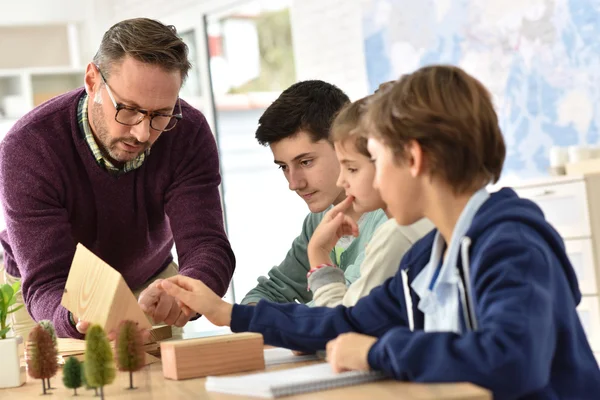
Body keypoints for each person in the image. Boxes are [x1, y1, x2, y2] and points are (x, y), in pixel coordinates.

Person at [157, 65, 600, 399]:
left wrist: (376, 351)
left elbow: (510, 360)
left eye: (374, 161)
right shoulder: (429, 257)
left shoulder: (511, 246)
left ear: (415, 158)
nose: (358, 182)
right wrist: (228, 313)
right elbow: (347, 321)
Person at [0, 18, 235, 339]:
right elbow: (46, 281)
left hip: (150, 281)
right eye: (128, 109)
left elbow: (207, 245)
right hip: (55, 296)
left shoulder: (188, 132)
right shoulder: (28, 146)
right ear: (92, 80)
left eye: (160, 114)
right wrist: (75, 317)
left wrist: (184, 291)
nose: (142, 132)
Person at [240, 81, 387, 306]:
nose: (294, 183)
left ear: (342, 142)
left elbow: (344, 308)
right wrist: (253, 314)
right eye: (283, 167)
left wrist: (262, 318)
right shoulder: (318, 221)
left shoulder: (391, 217)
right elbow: (270, 292)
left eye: (306, 162)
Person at [307, 98, 432, 307]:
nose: (341, 181)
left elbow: (341, 325)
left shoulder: (398, 233)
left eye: (352, 168)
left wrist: (318, 254)